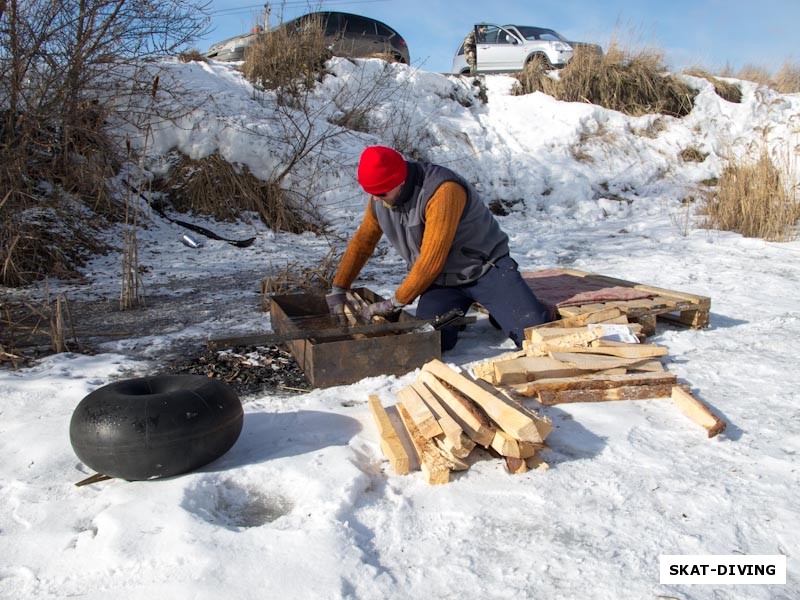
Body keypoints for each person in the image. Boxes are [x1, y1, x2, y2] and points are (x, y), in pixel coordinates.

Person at [326, 145, 551, 351]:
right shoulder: (381, 200)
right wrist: (339, 288)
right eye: (371, 193)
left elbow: (431, 261)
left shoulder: (443, 190)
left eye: (382, 192)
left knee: (532, 336)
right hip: (444, 282)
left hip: (486, 269)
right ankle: (477, 311)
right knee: (433, 342)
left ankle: (517, 309)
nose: (375, 199)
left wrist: (394, 302)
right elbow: (362, 244)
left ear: (400, 180)